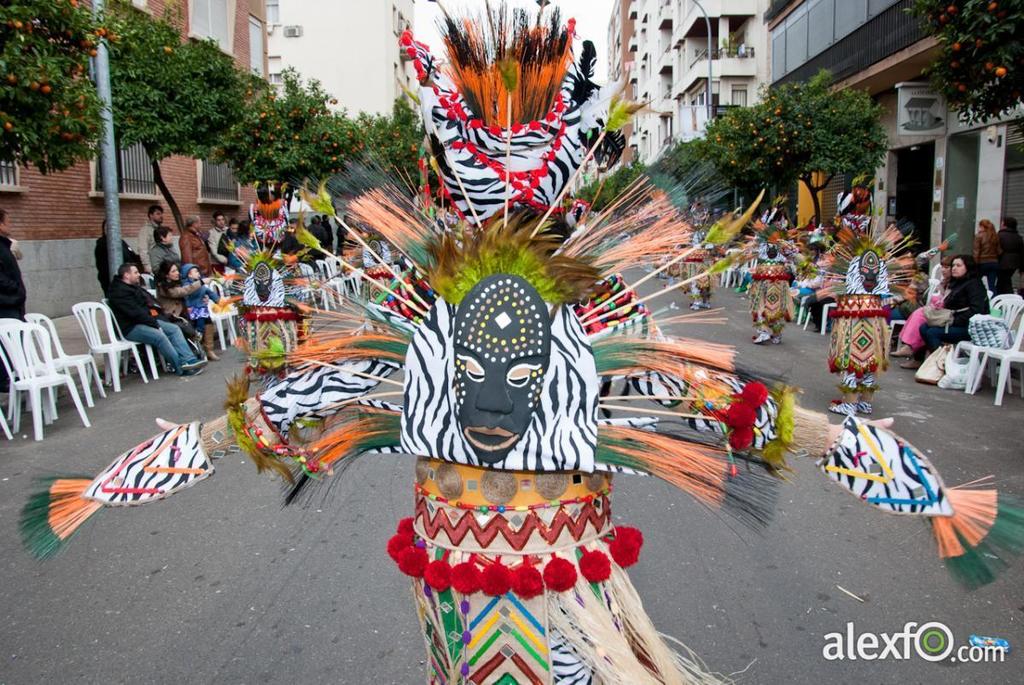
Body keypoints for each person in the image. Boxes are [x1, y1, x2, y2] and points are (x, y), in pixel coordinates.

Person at [107, 263, 205, 377]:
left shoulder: (134, 287)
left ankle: (190, 360)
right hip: (131, 327)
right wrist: (154, 324)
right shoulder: (119, 292)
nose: (139, 275)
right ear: (126, 275)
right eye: (136, 273)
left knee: (174, 329)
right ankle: (181, 367)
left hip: (146, 321)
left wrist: (157, 318)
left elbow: (148, 304)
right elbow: (135, 313)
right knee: (160, 336)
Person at [919, 254, 990, 353]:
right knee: (923, 327)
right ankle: (927, 360)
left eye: (958, 265)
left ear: (968, 267)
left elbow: (977, 310)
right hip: (955, 322)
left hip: (970, 327)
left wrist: (954, 321)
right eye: (953, 265)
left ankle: (941, 363)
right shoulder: (957, 283)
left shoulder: (974, 284)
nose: (954, 268)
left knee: (932, 333)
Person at [894, 257, 952, 366]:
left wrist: (890, 302)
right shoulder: (945, 282)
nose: (943, 270)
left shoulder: (919, 277)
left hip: (947, 315)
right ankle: (913, 352)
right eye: (942, 267)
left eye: (947, 267)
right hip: (935, 311)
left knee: (922, 318)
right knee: (922, 320)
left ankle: (914, 350)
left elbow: (908, 294)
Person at [181, 262, 221, 361]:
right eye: (195, 272)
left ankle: (209, 349)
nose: (198, 273)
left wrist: (217, 300)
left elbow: (209, 292)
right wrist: (188, 306)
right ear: (189, 274)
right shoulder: (188, 285)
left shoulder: (201, 284)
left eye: (198, 271)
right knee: (199, 327)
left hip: (202, 308)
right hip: (193, 310)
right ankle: (200, 348)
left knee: (209, 323)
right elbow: (188, 295)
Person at [0, 208, 26, 322]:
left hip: (11, 304)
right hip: (6, 307)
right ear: (0, 225)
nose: (10, 226)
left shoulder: (5, 244)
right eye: (8, 222)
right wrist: (17, 291)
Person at [973, 219, 1001, 292]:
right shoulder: (995, 236)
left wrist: (974, 263)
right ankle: (994, 301)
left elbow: (976, 252)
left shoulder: (979, 236)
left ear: (982, 227)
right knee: (992, 285)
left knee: (976, 282)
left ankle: (981, 295)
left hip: (982, 263)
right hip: (994, 263)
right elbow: (999, 251)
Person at [137, 204, 166, 274]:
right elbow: (143, 249)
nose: (161, 216)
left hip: (164, 265)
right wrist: (147, 266)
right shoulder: (145, 230)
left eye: (161, 213)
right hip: (153, 266)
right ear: (151, 215)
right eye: (158, 214)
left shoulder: (162, 229)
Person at [997, 216, 1023, 295]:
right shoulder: (1018, 237)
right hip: (1015, 263)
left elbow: (997, 249)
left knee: (1005, 281)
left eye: (1002, 222)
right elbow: (1021, 251)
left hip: (1003, 261)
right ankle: (1002, 296)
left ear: (1005, 224)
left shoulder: (1000, 235)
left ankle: (1009, 296)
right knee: (1004, 280)